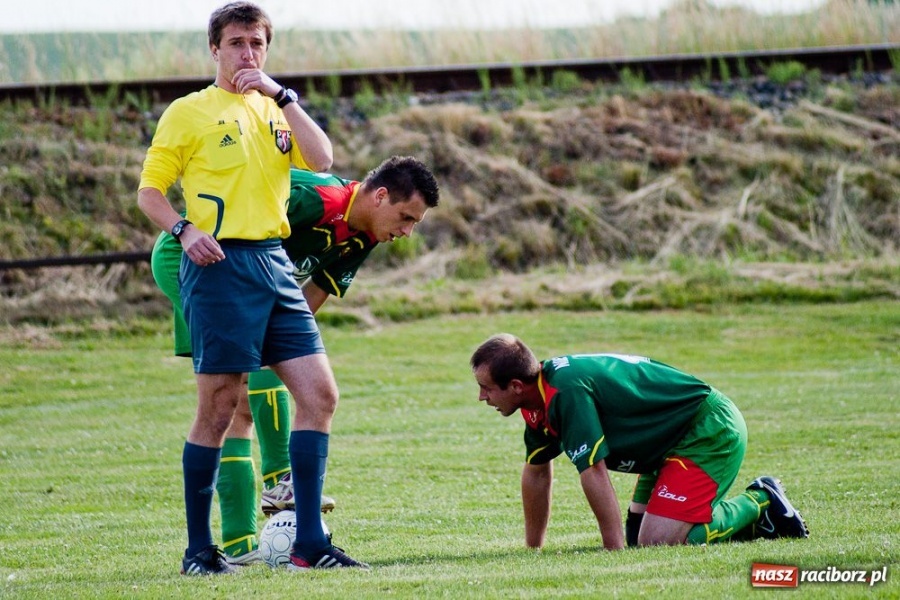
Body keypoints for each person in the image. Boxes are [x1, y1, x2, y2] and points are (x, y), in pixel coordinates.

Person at [137, 1, 363, 575]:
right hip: (220, 266)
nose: (247, 54)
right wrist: (183, 231)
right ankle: (198, 552)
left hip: (274, 261)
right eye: (236, 43)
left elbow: (324, 158)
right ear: (215, 48)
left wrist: (283, 95)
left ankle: (309, 544)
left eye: (257, 44)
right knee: (218, 406)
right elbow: (151, 192)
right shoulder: (189, 112)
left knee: (320, 396)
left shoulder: (275, 107)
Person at [151, 156, 440, 566]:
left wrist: (285, 345)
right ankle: (277, 482)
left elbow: (310, 298)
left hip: (255, 281)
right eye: (406, 217)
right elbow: (235, 223)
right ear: (380, 197)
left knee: (279, 398)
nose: (407, 232)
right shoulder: (312, 199)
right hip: (197, 260)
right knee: (228, 396)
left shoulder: (367, 234)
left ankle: (240, 544)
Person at [470, 333, 809, 551]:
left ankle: (760, 500)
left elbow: (593, 468)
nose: (481, 396)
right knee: (641, 540)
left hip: (706, 429)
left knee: (657, 542)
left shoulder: (564, 392)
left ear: (516, 385)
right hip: (667, 444)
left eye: (486, 387)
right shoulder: (537, 398)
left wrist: (613, 552)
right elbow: (537, 471)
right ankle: (763, 525)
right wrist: (534, 550)